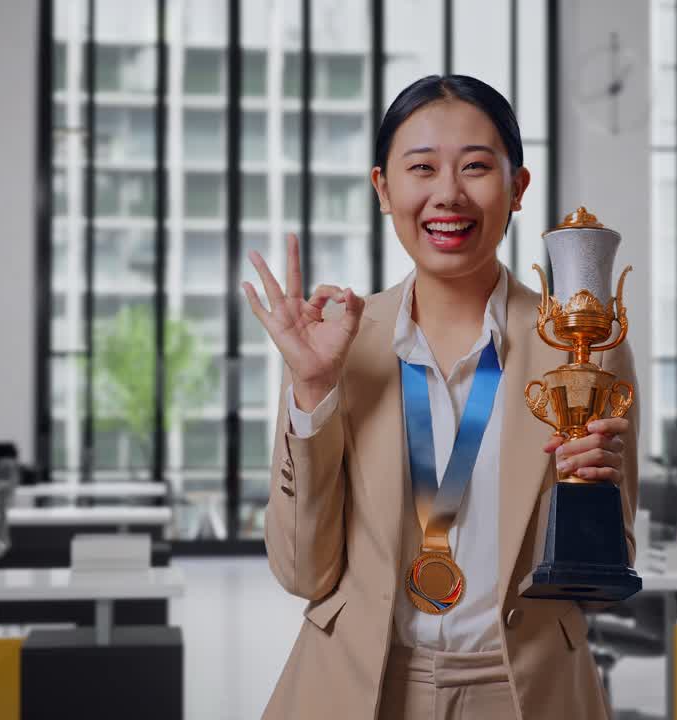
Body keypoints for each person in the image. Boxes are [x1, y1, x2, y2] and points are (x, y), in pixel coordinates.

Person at [244, 74, 639, 720]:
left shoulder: (584, 350)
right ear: (383, 188)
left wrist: (591, 497)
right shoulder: (340, 344)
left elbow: (601, 583)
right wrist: (311, 391)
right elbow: (302, 574)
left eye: (477, 167)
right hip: (360, 690)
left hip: (524, 693)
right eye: (421, 168)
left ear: (517, 189)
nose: (448, 195)